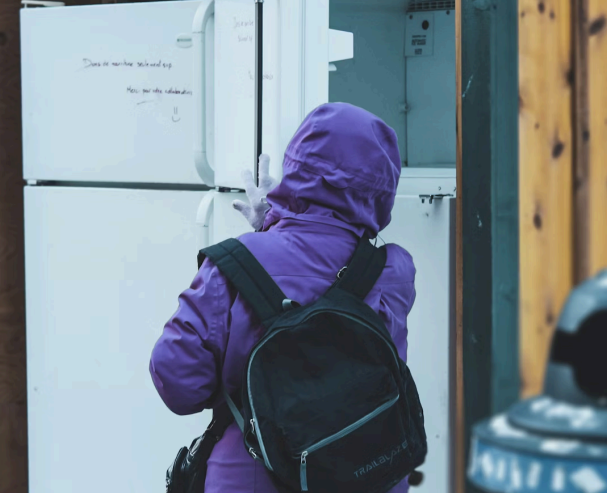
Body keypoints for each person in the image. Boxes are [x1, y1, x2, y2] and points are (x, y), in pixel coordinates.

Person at [150, 102, 417, 493]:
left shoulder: (234, 265)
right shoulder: (393, 272)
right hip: (368, 476)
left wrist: (270, 229)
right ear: (382, 189)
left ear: (296, 168)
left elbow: (177, 382)